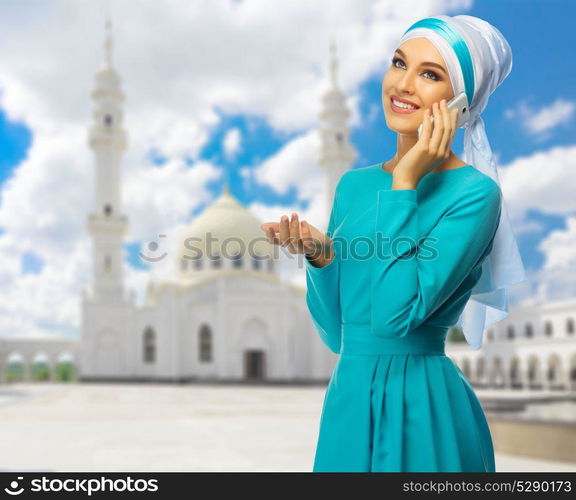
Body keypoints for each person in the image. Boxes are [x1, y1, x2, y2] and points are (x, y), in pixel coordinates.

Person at [260, 15, 526, 472]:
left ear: (461, 104)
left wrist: (405, 181)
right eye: (399, 63)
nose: (403, 84)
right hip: (349, 401)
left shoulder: (475, 197)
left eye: (430, 74)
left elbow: (393, 318)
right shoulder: (353, 186)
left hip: (422, 406)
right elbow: (336, 334)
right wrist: (322, 260)